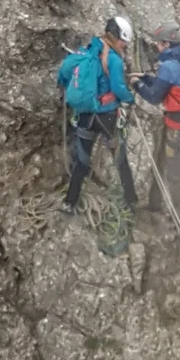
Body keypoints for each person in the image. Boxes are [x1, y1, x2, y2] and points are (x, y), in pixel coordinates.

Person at [57, 13, 138, 214]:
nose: (124, 45)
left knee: (82, 162)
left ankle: (70, 202)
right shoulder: (114, 60)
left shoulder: (87, 51)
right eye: (122, 41)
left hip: (85, 115)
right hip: (107, 117)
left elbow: (65, 73)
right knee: (120, 160)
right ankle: (131, 201)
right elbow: (118, 89)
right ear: (113, 36)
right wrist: (130, 99)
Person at [134, 27, 180, 217]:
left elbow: (155, 97)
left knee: (174, 174)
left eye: (158, 43)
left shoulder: (168, 66)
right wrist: (147, 78)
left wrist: (137, 85)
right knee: (165, 163)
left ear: (166, 44)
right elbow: (169, 85)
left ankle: (178, 217)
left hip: (178, 128)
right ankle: (156, 204)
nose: (157, 47)